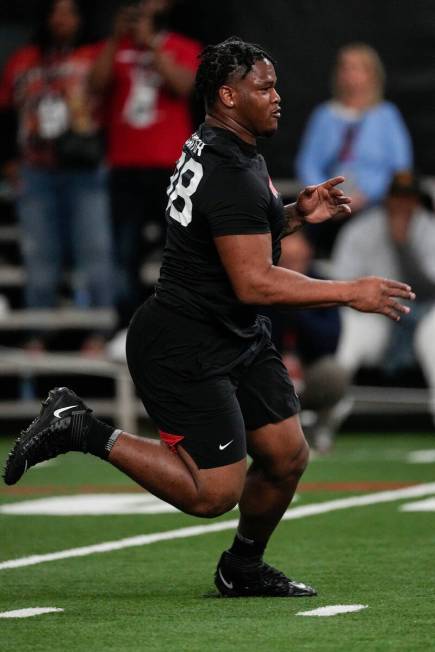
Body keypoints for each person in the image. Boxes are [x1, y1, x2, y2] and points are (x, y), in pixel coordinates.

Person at [3, 37, 415, 598]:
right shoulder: (230, 170)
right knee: (213, 493)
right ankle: (81, 425)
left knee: (287, 454)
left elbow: (229, 241)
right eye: (263, 87)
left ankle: (241, 568)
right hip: (185, 341)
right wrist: (351, 291)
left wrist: (295, 214)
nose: (277, 98)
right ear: (227, 94)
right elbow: (255, 280)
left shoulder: (229, 148)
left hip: (232, 330)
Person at [0, 0, 114, 353]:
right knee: (40, 256)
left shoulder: (96, 55)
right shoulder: (23, 60)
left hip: (85, 170)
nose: (62, 19)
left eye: (70, 12)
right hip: (36, 172)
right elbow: (4, 114)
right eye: (56, 11)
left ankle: (101, 332)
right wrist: (8, 161)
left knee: (95, 249)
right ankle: (37, 334)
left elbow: (113, 97)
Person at [89, 0, 201, 329]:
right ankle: (128, 326)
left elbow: (183, 86)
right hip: (124, 166)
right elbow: (95, 86)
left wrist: (151, 42)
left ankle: (179, 322)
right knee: (124, 254)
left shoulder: (183, 45)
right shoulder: (115, 47)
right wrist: (115, 38)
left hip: (170, 167)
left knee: (179, 251)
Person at [332, 170, 435, 424]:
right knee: (348, 334)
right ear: (387, 199)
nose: (402, 204)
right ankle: (325, 422)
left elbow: (430, 289)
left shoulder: (428, 227)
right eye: (397, 198)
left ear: (416, 200)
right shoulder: (362, 229)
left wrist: (403, 246)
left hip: (421, 316)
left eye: (408, 198)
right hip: (374, 317)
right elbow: (338, 284)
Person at [295, 43, 413, 255]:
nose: (349, 74)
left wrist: (367, 195)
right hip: (329, 204)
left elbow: (400, 166)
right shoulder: (324, 115)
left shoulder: (387, 115)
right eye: (345, 67)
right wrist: (323, 193)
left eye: (357, 68)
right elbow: (308, 163)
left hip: (374, 207)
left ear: (372, 74)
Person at [268, 233, 349, 454]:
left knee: (333, 373)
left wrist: (298, 301)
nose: (293, 266)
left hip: (308, 367)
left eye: (297, 259)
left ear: (308, 254)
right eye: (287, 260)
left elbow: (330, 340)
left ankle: (319, 426)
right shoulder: (262, 285)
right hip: (269, 368)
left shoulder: (323, 284)